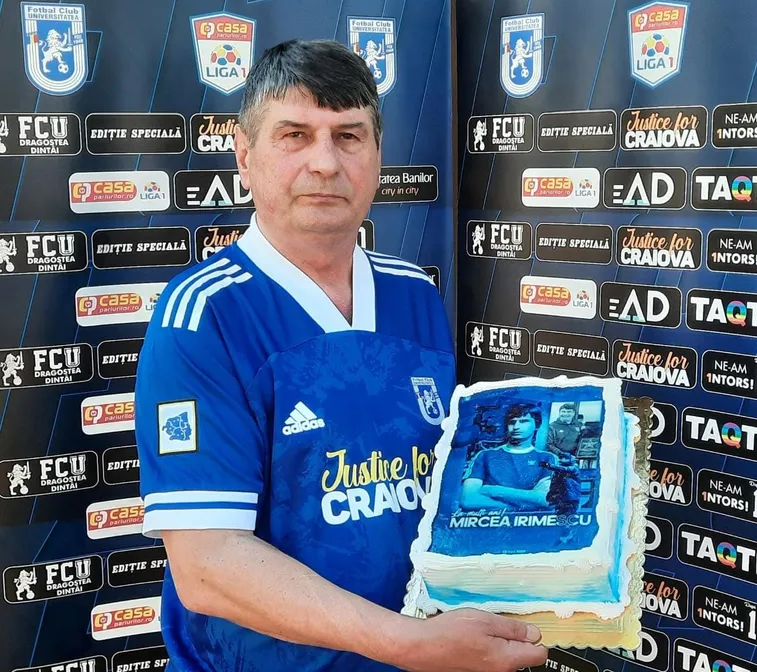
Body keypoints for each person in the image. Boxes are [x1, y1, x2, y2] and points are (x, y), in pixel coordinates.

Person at [134, 39, 547, 672]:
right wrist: (408, 644)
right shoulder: (205, 315)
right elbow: (209, 565)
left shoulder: (414, 294)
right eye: (294, 135)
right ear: (244, 156)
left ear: (377, 156)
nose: (325, 162)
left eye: (348, 136)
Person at [460, 403, 560, 511]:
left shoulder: (547, 458)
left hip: (530, 521)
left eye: (524, 422)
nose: (516, 427)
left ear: (537, 425)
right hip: (492, 520)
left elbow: (545, 499)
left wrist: (494, 491)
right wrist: (519, 506)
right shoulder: (485, 455)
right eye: (512, 422)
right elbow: (468, 500)